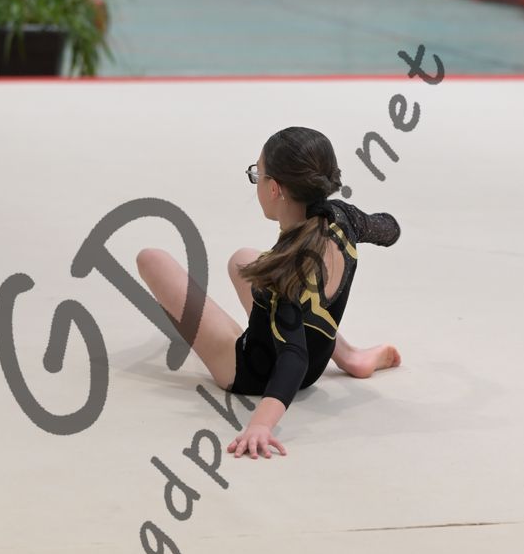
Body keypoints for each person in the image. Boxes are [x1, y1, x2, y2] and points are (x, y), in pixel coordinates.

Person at [135, 127, 401, 460]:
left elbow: (293, 357)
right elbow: (390, 229)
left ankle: (346, 356)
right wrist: (377, 225)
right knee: (243, 259)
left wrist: (261, 425)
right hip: (319, 359)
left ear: (274, 188)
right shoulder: (344, 219)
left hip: (252, 374)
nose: (256, 183)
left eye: (256, 175)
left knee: (151, 259)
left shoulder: (284, 272)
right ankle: (349, 356)